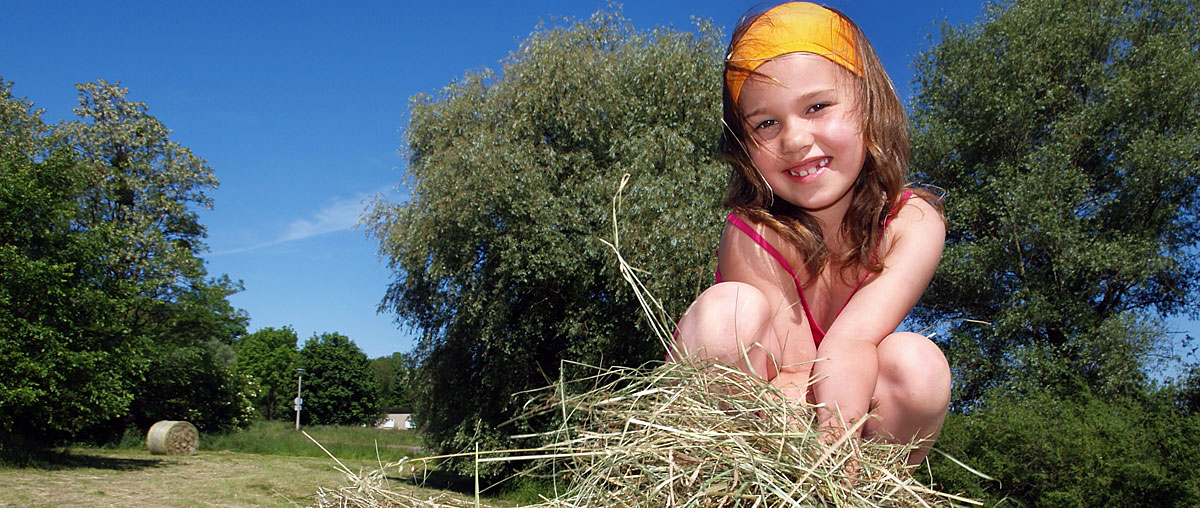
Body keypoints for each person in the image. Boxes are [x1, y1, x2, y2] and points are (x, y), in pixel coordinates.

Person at [671, 1, 951, 466]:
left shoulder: (913, 223)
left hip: (842, 415)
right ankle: (693, 475)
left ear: (869, 105)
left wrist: (836, 461)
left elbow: (851, 342)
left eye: (817, 107)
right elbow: (793, 374)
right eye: (766, 123)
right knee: (728, 312)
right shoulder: (752, 232)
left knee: (917, 366)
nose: (795, 139)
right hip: (755, 419)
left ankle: (871, 487)